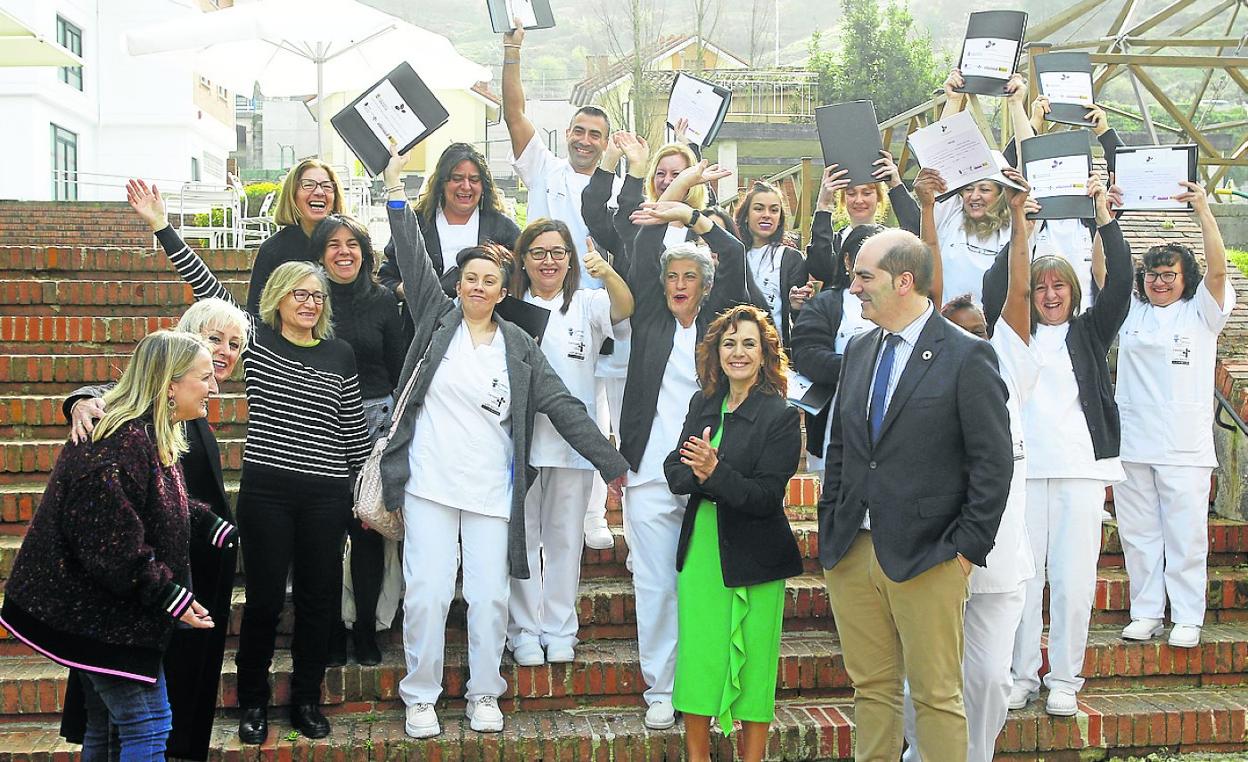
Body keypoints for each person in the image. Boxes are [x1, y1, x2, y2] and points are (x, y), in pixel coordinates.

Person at [375, 145, 629, 739]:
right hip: (430, 486)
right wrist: (392, 190)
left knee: (489, 597)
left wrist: (610, 462)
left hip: (493, 490)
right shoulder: (437, 321)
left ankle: (486, 692)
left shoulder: (518, 342)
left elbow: (564, 406)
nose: (481, 288)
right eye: (471, 279)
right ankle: (421, 696)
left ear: (503, 286)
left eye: (491, 280)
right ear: (456, 285)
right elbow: (411, 253)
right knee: (430, 595)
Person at [125, 179, 372, 744]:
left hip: (327, 495)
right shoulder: (255, 341)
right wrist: (163, 226)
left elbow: (354, 432)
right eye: (299, 295)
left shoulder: (341, 354)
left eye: (317, 297)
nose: (310, 303)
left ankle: (306, 699)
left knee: (318, 602)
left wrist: (360, 493)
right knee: (262, 603)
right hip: (267, 495)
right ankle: (253, 702)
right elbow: (205, 285)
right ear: (278, 299)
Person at [817, 228, 1013, 761]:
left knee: (936, 696)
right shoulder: (859, 349)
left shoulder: (968, 356)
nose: (853, 287)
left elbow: (992, 465)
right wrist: (830, 526)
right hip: (853, 551)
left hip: (931, 555)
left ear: (904, 281)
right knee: (871, 691)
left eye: (864, 276)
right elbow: (842, 449)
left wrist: (966, 551)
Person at [0, 330, 233, 760]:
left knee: (106, 728)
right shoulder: (115, 445)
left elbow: (161, 503)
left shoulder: (147, 435)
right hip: (99, 617)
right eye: (204, 378)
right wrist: (172, 597)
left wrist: (216, 527)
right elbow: (114, 550)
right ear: (169, 385)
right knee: (148, 724)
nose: (215, 387)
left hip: (107, 614)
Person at [59, 299, 248, 761]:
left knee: (129, 720)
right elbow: (124, 394)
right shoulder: (136, 421)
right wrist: (81, 399)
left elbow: (180, 498)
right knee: (147, 721)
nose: (225, 352)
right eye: (214, 340)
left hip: (180, 580)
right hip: (141, 588)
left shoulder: (189, 411)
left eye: (235, 344)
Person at [900, 167, 1039, 762]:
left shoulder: (1010, 366)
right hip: (936, 559)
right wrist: (928, 211)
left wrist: (1022, 226)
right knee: (923, 682)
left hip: (997, 563)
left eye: (983, 330)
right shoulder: (927, 374)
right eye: (962, 333)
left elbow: (1019, 297)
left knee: (988, 680)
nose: (976, 340)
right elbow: (928, 292)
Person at [990, 175, 1133, 716]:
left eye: (1060, 288)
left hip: (1080, 471)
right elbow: (998, 283)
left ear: (1074, 293)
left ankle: (1066, 678)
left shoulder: (1091, 332)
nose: (1050, 296)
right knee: (1024, 579)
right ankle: (1023, 674)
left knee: (1073, 581)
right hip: (1024, 472)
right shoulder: (1014, 332)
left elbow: (1120, 281)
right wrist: (1023, 223)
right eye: (1041, 288)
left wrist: (1104, 218)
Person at [618, 160, 751, 731]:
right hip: (650, 470)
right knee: (654, 582)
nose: (677, 285)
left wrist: (693, 213)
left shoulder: (722, 325)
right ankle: (661, 686)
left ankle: (707, 678)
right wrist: (683, 180)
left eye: (688, 278)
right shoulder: (651, 315)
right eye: (671, 277)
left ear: (705, 284)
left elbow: (737, 256)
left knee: (707, 580)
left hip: (711, 469)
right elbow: (647, 237)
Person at [664, 304, 803, 762]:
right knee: (700, 658)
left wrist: (712, 471)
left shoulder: (780, 416)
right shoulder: (702, 404)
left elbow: (765, 496)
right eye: (729, 343)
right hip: (702, 550)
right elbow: (674, 468)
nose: (737, 352)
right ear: (716, 352)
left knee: (756, 663)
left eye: (748, 343)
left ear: (764, 354)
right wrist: (701, 472)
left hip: (757, 556)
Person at [507, 218, 634, 667]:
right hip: (520, 445)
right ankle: (522, 630)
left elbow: (625, 306)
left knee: (564, 540)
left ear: (569, 259)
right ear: (523, 259)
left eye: (557, 252)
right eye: (538, 252)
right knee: (522, 539)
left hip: (573, 446)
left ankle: (560, 628)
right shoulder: (510, 308)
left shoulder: (586, 303)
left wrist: (608, 272)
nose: (548, 261)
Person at [1115, 182, 1234, 648]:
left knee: (1185, 536)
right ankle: (1146, 612)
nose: (1159, 281)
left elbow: (1220, 272)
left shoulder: (1202, 314)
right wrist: (1112, 219)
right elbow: (1105, 271)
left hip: (1184, 445)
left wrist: (1204, 210)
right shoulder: (1131, 312)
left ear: (1185, 278)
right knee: (1139, 533)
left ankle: (1187, 615)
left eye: (1168, 274)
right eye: (1152, 274)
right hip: (1133, 442)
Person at [308, 213, 406, 667]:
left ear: (366, 254)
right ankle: (329, 628)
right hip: (318, 422)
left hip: (374, 421)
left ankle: (365, 626)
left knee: (367, 528)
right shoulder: (307, 300)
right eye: (333, 244)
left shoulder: (385, 301)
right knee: (324, 531)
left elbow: (400, 367)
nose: (343, 251)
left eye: (352, 243)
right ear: (320, 254)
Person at [502, 21, 611, 288]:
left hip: (591, 303)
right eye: (579, 131)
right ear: (567, 133)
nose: (584, 141)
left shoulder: (617, 190)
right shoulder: (543, 168)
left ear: (606, 144)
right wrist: (512, 50)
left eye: (595, 135)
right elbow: (514, 115)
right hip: (537, 298)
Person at [925, 70, 1032, 305]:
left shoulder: (1016, 227)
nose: (974, 196)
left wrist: (1016, 104)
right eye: (968, 189)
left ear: (1001, 193)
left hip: (995, 332)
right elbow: (937, 163)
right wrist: (953, 101)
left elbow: (1033, 166)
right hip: (947, 330)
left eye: (984, 189)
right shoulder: (950, 216)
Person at [789, 224, 884, 480]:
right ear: (847, 260)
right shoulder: (826, 304)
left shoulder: (900, 303)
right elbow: (808, 355)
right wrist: (871, 368)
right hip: (833, 432)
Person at [378, 141, 521, 300]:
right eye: (457, 178)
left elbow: (522, 277)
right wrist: (405, 290)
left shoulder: (502, 227)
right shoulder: (418, 223)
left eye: (474, 179)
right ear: (442, 183)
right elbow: (386, 278)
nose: (466, 186)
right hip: (426, 321)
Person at [804, 150, 920, 286]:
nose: (859, 200)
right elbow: (820, 269)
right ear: (843, 199)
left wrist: (896, 186)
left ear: (879, 197)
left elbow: (918, 235)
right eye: (851, 193)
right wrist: (823, 205)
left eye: (867, 193)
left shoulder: (892, 239)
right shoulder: (832, 243)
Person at [246, 158, 345, 313]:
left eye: (327, 186)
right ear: (292, 195)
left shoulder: (350, 247)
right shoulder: (273, 250)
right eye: (308, 185)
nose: (319, 192)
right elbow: (256, 313)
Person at [732, 181, 808, 346]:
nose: (767, 215)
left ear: (780, 218)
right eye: (759, 209)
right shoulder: (733, 255)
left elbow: (800, 319)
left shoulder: (790, 258)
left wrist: (796, 306)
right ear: (745, 216)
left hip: (776, 351)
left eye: (774, 210)